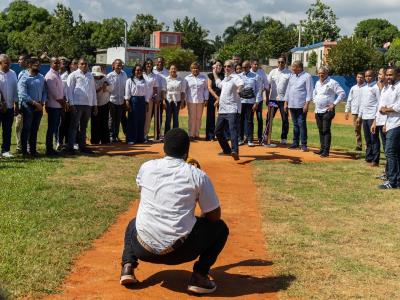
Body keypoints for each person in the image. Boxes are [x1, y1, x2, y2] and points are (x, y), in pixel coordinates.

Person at [120, 128, 229, 295]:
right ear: (187, 150)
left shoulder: (146, 167)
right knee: (220, 229)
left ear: (164, 148)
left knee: (132, 224)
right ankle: (199, 276)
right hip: (181, 251)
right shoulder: (198, 175)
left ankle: (128, 267)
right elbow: (215, 216)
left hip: (143, 249)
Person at [213, 60, 244, 160]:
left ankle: (235, 151)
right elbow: (218, 84)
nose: (226, 68)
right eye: (225, 66)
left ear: (233, 67)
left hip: (232, 108)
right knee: (217, 131)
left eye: (229, 66)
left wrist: (239, 90)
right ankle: (227, 150)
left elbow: (241, 84)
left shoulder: (235, 77)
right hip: (223, 109)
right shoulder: (226, 78)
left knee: (232, 130)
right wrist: (214, 71)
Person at [312, 66, 346, 157]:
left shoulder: (332, 82)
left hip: (328, 111)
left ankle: (326, 151)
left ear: (326, 73)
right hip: (318, 110)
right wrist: (314, 100)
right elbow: (314, 92)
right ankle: (322, 149)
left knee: (326, 130)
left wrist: (334, 104)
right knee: (320, 130)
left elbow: (342, 93)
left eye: (322, 73)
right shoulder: (317, 83)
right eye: (319, 73)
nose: (320, 75)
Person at [67, 57, 97, 154]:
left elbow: (93, 91)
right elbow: (69, 91)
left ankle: (82, 146)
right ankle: (71, 147)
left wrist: (95, 105)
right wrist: (71, 104)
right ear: (78, 65)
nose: (84, 65)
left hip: (87, 105)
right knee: (74, 126)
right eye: (82, 64)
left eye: (86, 64)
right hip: (77, 104)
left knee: (84, 126)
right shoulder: (73, 75)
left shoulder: (90, 76)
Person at [18, 57, 47, 157]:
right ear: (29, 65)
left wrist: (42, 102)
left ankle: (33, 150)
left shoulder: (41, 77)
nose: (38, 66)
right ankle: (24, 151)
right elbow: (22, 94)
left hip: (39, 106)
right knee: (26, 128)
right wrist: (35, 103)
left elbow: (44, 91)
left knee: (35, 128)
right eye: (36, 64)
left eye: (39, 64)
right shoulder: (24, 77)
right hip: (28, 106)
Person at [377, 67, 400, 189]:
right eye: (387, 75)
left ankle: (392, 181)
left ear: (398, 74)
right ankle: (397, 180)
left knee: (390, 152)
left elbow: (398, 107)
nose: (388, 77)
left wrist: (386, 109)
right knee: (395, 153)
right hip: (392, 122)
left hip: (397, 124)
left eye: (391, 75)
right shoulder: (391, 87)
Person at [283, 61, 313, 152]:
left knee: (301, 124)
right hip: (292, 104)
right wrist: (286, 102)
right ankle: (295, 143)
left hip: (301, 105)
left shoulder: (307, 76)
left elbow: (309, 91)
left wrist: (307, 104)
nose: (292, 69)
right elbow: (288, 90)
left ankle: (304, 144)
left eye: (293, 67)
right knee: (295, 125)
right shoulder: (292, 76)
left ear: (299, 68)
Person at [357, 70, 381, 166]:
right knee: (367, 139)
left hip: (372, 116)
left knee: (374, 139)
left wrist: (376, 118)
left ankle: (375, 160)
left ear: (374, 76)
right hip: (365, 116)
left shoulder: (376, 88)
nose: (368, 78)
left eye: (370, 76)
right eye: (366, 76)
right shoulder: (364, 88)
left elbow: (380, 103)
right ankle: (369, 157)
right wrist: (359, 116)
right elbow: (362, 103)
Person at [266, 56, 291, 144]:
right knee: (269, 118)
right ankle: (266, 135)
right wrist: (267, 98)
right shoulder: (273, 72)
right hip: (273, 99)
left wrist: (287, 101)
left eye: (282, 62)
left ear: (285, 63)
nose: (280, 64)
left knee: (285, 119)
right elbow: (268, 84)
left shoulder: (289, 73)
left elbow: (290, 88)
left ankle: (283, 138)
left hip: (283, 100)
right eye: (279, 62)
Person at [238, 60, 262, 147]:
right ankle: (240, 139)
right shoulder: (238, 76)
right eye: (242, 67)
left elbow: (259, 90)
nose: (244, 69)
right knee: (240, 121)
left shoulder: (256, 76)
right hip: (240, 102)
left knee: (249, 121)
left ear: (249, 67)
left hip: (250, 102)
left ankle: (250, 139)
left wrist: (256, 102)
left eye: (246, 67)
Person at [44, 57, 65, 156]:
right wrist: (63, 103)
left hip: (58, 105)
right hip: (53, 106)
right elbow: (55, 94)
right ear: (50, 64)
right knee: (51, 128)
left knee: (55, 127)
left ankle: (52, 147)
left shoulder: (57, 74)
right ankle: (49, 149)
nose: (57, 64)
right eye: (55, 63)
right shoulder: (50, 76)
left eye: (58, 63)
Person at [371, 68, 388, 180]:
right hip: (380, 121)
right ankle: (387, 172)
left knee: (389, 150)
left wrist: (386, 123)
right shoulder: (384, 88)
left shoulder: (393, 88)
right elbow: (380, 108)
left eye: (380, 74)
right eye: (378, 74)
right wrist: (375, 122)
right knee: (387, 149)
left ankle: (390, 173)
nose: (378, 76)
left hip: (389, 123)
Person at [0, 54, 18, 158]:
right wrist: (1, 103)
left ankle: (5, 150)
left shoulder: (13, 73)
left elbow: (15, 89)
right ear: (0, 63)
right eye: (6, 63)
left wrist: (16, 103)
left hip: (10, 106)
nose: (9, 65)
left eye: (9, 62)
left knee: (7, 129)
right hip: (0, 107)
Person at [185, 62, 209, 140]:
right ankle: (191, 134)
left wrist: (206, 99)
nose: (195, 70)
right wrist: (185, 100)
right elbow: (185, 90)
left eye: (197, 68)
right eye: (193, 68)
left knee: (198, 117)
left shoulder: (203, 78)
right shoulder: (187, 78)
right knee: (191, 117)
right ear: (191, 69)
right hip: (190, 100)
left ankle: (196, 134)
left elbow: (206, 89)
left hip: (200, 100)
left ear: (199, 69)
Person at [125, 64, 148, 145]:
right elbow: (127, 92)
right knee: (132, 120)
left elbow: (146, 92)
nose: (138, 72)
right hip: (133, 100)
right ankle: (131, 139)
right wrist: (127, 101)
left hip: (142, 101)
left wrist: (146, 102)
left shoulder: (144, 81)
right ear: (134, 71)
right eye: (137, 70)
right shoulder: (129, 80)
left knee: (141, 120)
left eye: (140, 70)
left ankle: (140, 138)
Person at [107, 59, 128, 143]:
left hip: (121, 101)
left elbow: (126, 87)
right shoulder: (109, 76)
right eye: (117, 64)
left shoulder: (124, 74)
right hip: (112, 100)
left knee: (118, 119)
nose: (119, 66)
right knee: (111, 119)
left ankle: (116, 135)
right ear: (113, 65)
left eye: (120, 64)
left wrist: (125, 99)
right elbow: (108, 89)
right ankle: (111, 136)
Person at [250, 59, 269, 144]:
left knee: (259, 118)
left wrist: (262, 90)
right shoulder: (248, 72)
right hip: (249, 100)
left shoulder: (262, 72)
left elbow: (266, 85)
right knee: (249, 119)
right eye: (254, 64)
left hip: (259, 100)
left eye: (257, 64)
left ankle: (259, 136)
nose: (256, 66)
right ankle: (249, 136)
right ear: (251, 64)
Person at [345, 72, 365, 151]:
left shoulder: (366, 87)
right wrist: (347, 110)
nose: (360, 78)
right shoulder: (353, 88)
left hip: (365, 112)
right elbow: (349, 99)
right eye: (358, 77)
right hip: (355, 112)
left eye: (361, 77)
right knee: (357, 129)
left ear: (364, 78)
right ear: (356, 78)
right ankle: (359, 145)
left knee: (366, 130)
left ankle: (369, 146)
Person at [91, 66, 111, 145]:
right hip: (94, 104)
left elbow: (111, 87)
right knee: (95, 123)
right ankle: (95, 140)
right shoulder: (90, 80)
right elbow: (92, 92)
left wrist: (106, 86)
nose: (97, 76)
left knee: (104, 122)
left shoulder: (105, 79)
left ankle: (105, 140)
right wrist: (100, 88)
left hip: (105, 103)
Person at [57, 57, 73, 151]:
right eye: (60, 62)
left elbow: (68, 89)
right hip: (55, 102)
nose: (62, 64)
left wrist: (67, 101)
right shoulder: (54, 74)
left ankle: (64, 142)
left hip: (65, 103)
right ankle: (58, 142)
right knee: (57, 123)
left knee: (65, 123)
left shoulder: (68, 75)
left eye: (64, 62)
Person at [15, 54, 30, 153]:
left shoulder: (30, 73)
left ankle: (27, 146)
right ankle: (19, 146)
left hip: (28, 104)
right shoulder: (20, 73)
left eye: (21, 60)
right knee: (18, 126)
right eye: (18, 60)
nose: (19, 61)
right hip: (20, 104)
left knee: (27, 126)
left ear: (26, 61)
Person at [165, 64, 186, 133]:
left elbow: (183, 92)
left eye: (174, 69)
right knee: (168, 118)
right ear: (169, 70)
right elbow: (163, 91)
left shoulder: (181, 79)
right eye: (172, 69)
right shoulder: (166, 79)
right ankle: (167, 134)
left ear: (176, 70)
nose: (173, 70)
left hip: (177, 100)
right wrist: (163, 100)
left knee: (176, 118)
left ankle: (175, 134)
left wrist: (182, 102)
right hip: (168, 100)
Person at [206, 60, 224, 141]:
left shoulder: (224, 75)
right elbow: (209, 87)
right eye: (217, 65)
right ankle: (210, 135)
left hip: (222, 98)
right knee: (210, 117)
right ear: (214, 66)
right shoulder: (210, 75)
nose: (218, 67)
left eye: (220, 65)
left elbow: (224, 87)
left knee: (221, 117)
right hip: (212, 98)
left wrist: (219, 98)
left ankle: (221, 135)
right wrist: (216, 97)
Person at [143, 59, 160, 142]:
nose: (148, 65)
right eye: (147, 64)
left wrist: (155, 96)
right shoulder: (141, 74)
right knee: (139, 118)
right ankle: (138, 134)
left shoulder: (154, 76)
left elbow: (155, 89)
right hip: (140, 99)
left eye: (150, 64)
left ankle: (145, 135)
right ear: (145, 65)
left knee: (148, 118)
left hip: (149, 100)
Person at [153, 57, 169, 139]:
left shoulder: (166, 72)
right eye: (159, 62)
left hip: (161, 98)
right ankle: (145, 134)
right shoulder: (152, 70)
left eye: (162, 62)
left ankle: (158, 134)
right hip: (151, 98)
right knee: (149, 116)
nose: (160, 63)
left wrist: (163, 99)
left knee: (159, 116)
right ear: (156, 62)